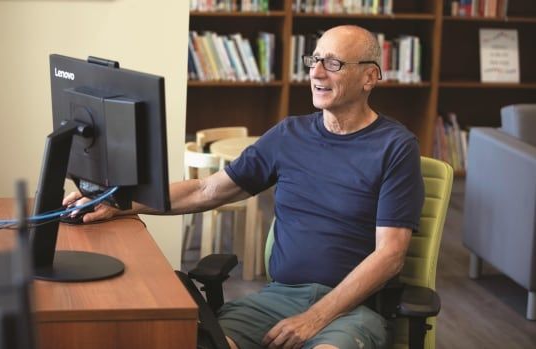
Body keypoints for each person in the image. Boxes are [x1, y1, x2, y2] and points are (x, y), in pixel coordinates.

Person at [64, 25, 424, 349]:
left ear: (369, 77)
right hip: (276, 300)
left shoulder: (396, 147)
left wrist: (316, 317)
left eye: (333, 64)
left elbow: (389, 256)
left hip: (351, 309)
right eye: (314, 60)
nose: (315, 72)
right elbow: (207, 190)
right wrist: (122, 200)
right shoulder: (289, 134)